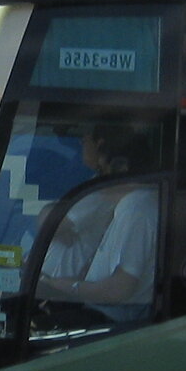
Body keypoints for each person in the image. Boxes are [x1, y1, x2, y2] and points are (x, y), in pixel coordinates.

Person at [36, 121, 161, 325]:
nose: (97, 180)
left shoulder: (137, 209)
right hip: (99, 308)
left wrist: (68, 286)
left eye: (102, 171)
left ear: (121, 168)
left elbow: (120, 288)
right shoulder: (130, 206)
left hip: (112, 317)